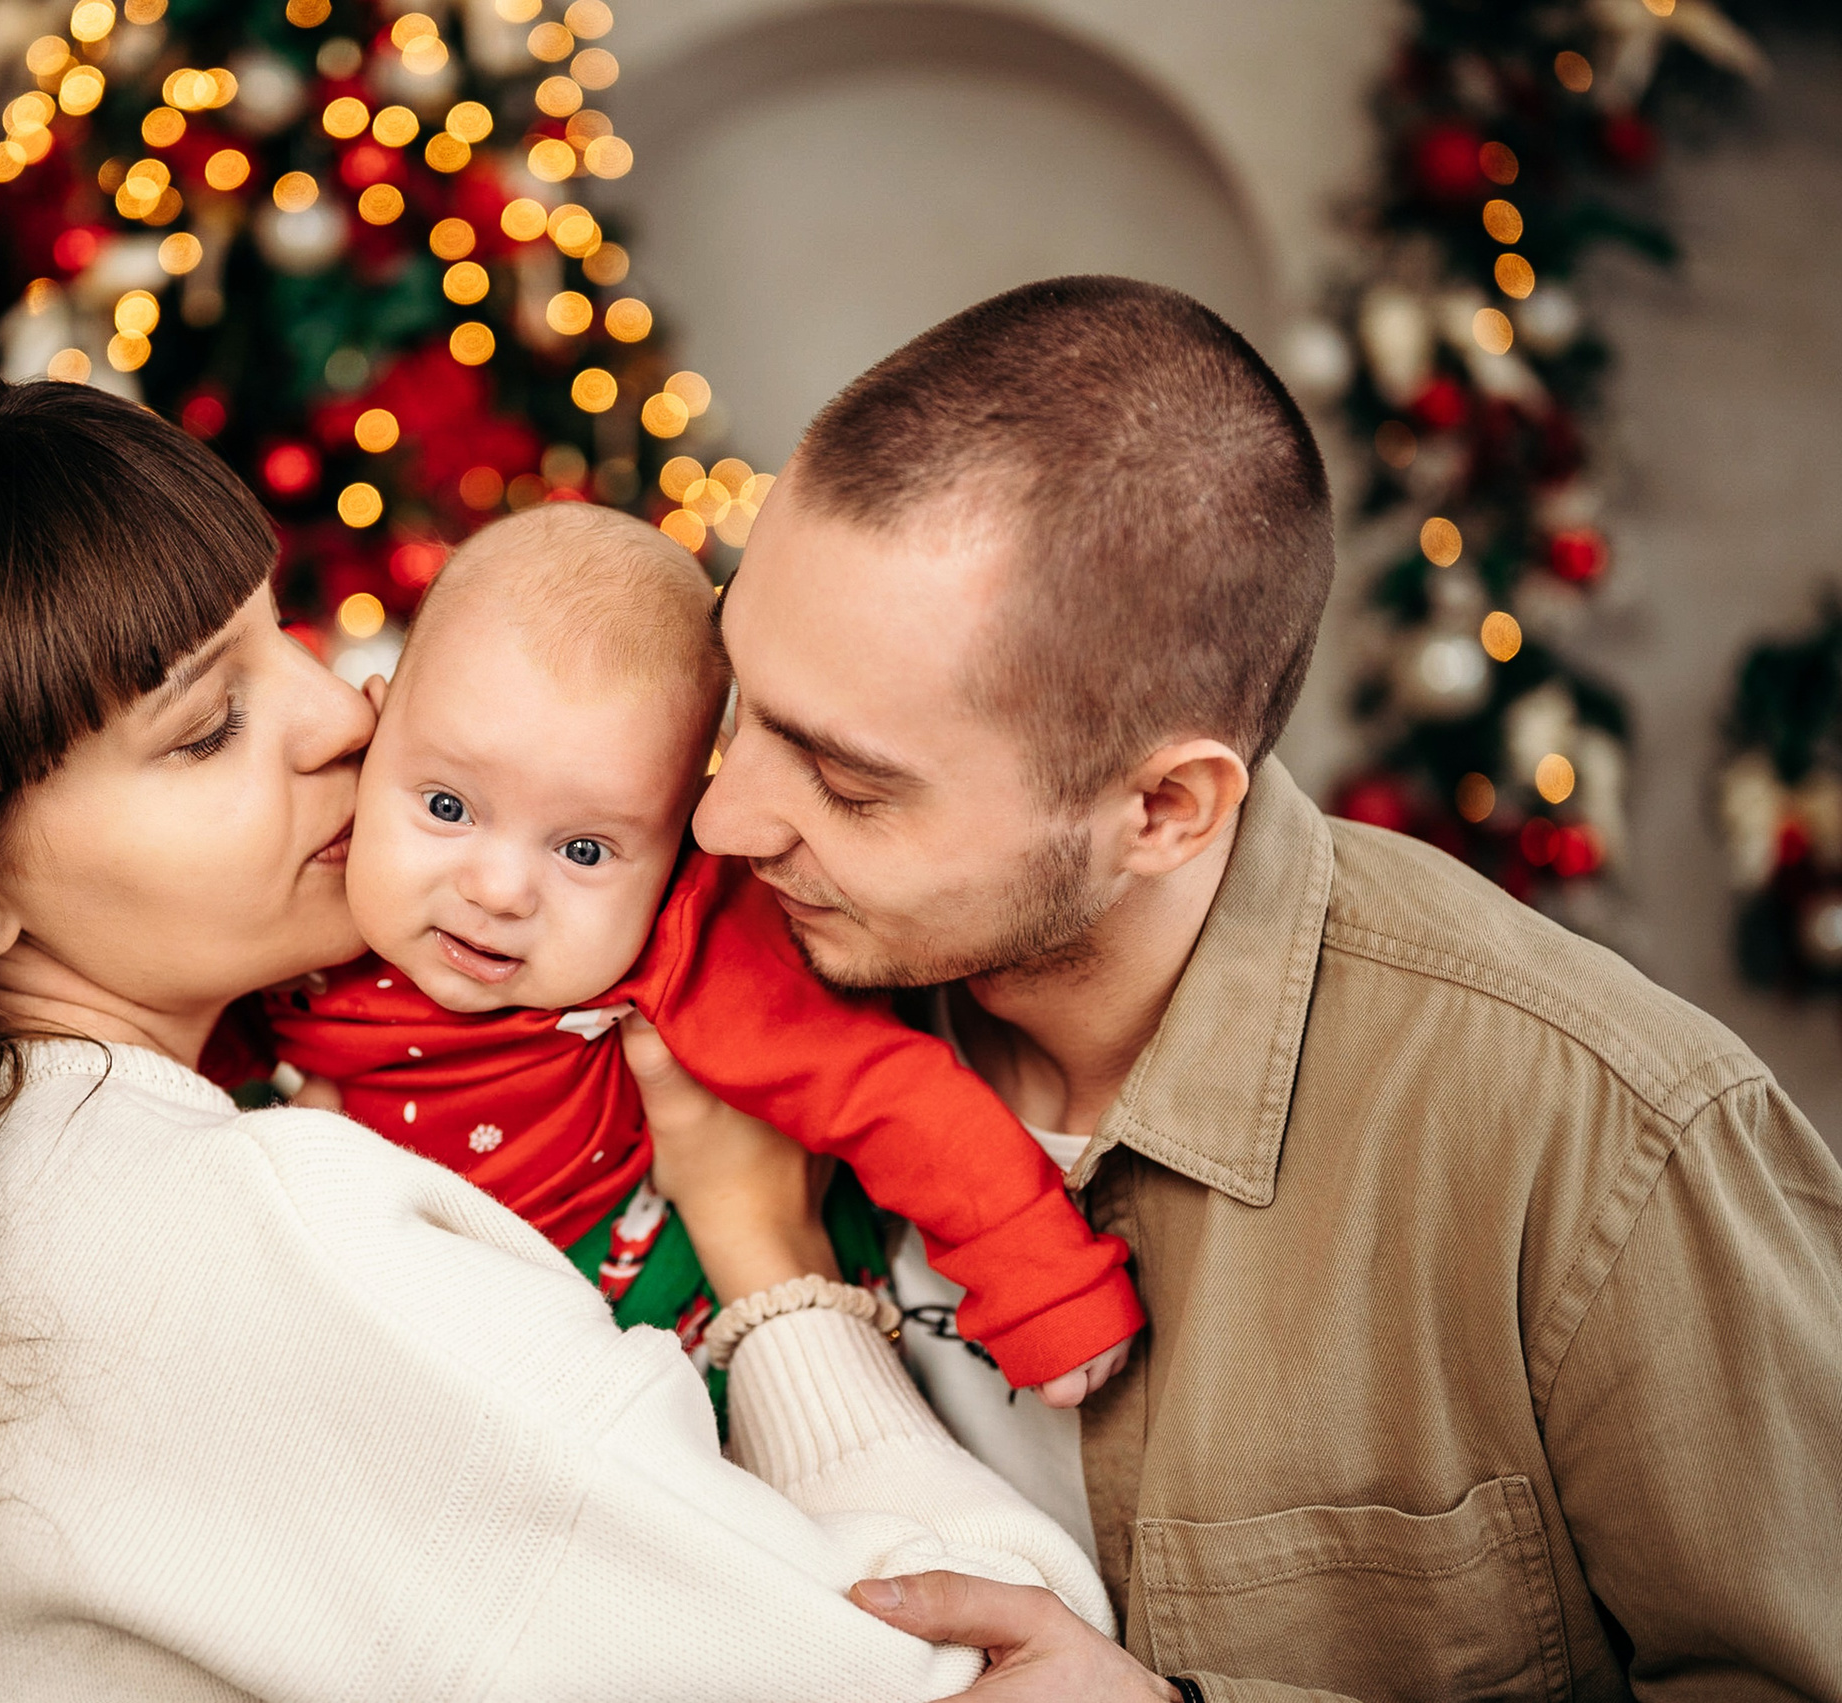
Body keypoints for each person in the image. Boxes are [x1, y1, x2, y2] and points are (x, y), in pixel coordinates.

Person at [0, 381, 1110, 1703]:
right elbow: (965, 1654)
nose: (343, 717)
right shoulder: (257, 1231)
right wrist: (769, 1265)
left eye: (281, 635)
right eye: (206, 726)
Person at [674, 276, 1842, 1698]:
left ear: (1163, 805)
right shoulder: (703, 970)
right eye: (739, 697)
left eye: (850, 782)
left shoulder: (1602, 1131)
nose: (723, 816)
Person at [243, 502, 1141, 1404]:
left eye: (584, 850)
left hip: (631, 1286)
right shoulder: (314, 886)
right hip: (401, 1285)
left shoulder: (687, 950)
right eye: (447, 807)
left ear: (677, 843)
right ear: (373, 731)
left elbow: (885, 1091)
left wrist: (1045, 1282)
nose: (497, 889)